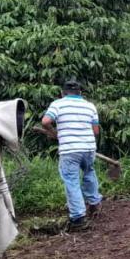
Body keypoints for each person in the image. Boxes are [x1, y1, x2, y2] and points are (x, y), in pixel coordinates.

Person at [41, 80, 102, 231]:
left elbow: (46, 121)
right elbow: (96, 131)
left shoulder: (58, 104)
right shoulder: (90, 106)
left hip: (69, 150)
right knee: (89, 173)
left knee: (71, 181)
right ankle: (94, 204)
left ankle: (78, 217)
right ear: (80, 93)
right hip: (89, 148)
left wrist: (55, 133)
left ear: (62, 93)